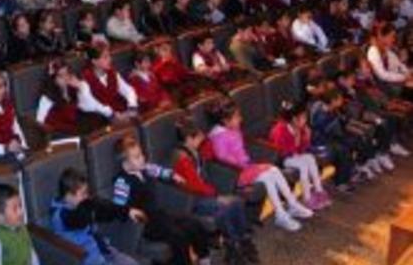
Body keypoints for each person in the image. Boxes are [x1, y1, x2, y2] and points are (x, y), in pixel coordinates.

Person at [207, 101, 313, 231]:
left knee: (273, 171)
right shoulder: (219, 137)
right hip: (235, 174)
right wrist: (245, 166)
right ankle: (283, 213)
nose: (241, 119)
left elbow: (241, 150)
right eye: (237, 117)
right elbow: (223, 159)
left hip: (246, 168)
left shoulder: (233, 129)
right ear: (225, 121)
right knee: (269, 174)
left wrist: (250, 165)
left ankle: (290, 207)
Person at [113, 135, 212, 265]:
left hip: (159, 215)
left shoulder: (144, 168)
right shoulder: (122, 182)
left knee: (193, 224)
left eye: (142, 154)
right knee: (179, 237)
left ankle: (204, 259)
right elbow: (117, 207)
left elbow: (160, 171)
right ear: (125, 162)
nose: (142, 158)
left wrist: (174, 175)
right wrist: (128, 211)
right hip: (145, 224)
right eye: (137, 157)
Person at [173, 120, 258, 264]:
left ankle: (243, 242)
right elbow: (196, 186)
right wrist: (218, 196)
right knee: (225, 209)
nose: (202, 139)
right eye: (198, 137)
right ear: (188, 139)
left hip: (204, 194)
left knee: (236, 202)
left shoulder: (193, 150)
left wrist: (206, 143)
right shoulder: (182, 159)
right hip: (192, 199)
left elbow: (209, 157)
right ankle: (234, 247)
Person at [50, 168, 139, 265]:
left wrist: (127, 211)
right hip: (88, 258)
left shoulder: (82, 204)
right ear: (69, 194)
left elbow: (102, 207)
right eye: (83, 194)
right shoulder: (62, 215)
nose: (86, 196)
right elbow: (80, 218)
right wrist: (92, 205)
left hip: (103, 250)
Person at [268, 102, 332, 211]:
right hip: (282, 158)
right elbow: (283, 152)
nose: (306, 120)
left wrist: (307, 137)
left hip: (294, 156)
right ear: (294, 119)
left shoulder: (300, 128)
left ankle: (319, 191)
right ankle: (307, 198)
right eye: (303, 117)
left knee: (310, 158)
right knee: (303, 164)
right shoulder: (280, 130)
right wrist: (297, 139)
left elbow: (302, 150)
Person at [78, 41, 137, 122]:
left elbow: (127, 90)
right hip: (100, 119)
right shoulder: (85, 80)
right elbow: (88, 104)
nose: (110, 59)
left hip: (119, 111)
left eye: (109, 56)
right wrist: (111, 114)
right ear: (94, 61)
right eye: (105, 57)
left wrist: (132, 107)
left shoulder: (112, 73)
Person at [0, 183, 40, 265]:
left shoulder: (21, 227)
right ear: (0, 217)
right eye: (15, 209)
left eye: (20, 206)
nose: (21, 211)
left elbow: (31, 252)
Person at [36, 59, 86, 137]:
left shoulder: (73, 88)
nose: (66, 78)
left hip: (78, 129)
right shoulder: (47, 98)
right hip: (60, 135)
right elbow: (39, 123)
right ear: (53, 79)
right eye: (61, 76)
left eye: (67, 74)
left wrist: (81, 87)